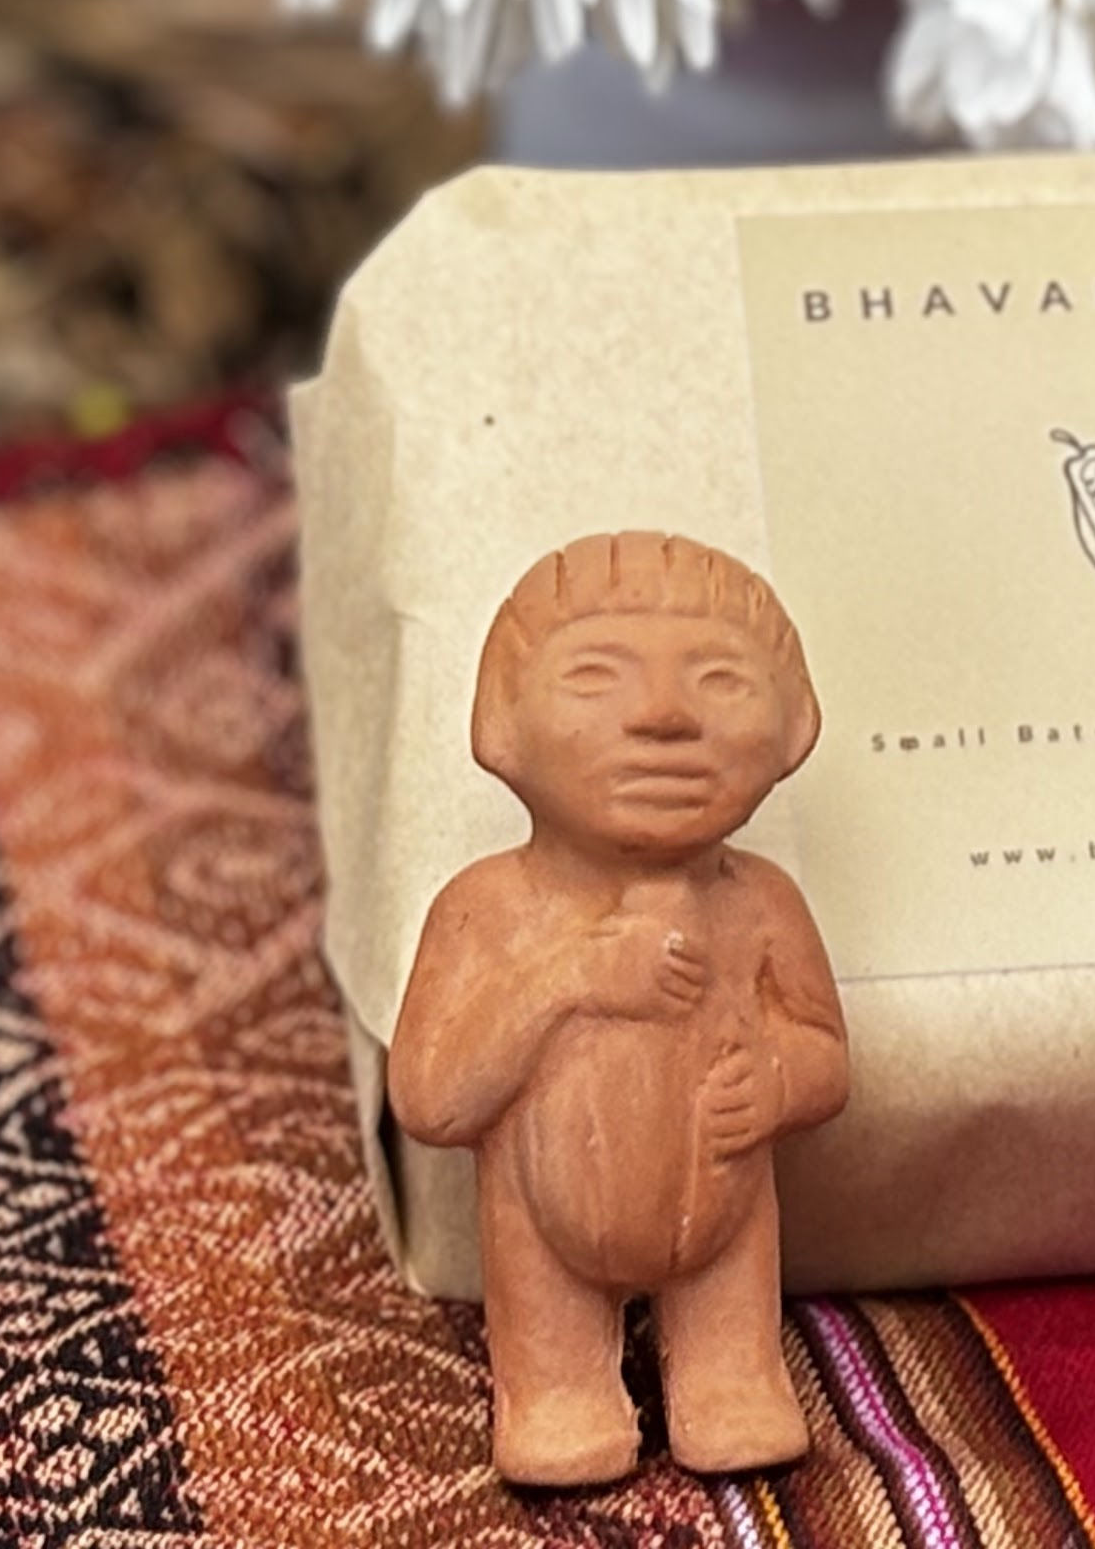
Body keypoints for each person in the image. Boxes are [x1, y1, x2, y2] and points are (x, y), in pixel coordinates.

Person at [388, 530, 852, 1485]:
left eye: (721, 679)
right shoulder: (486, 911)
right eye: (595, 677)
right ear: (500, 726)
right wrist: (568, 981)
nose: (663, 717)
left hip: (727, 1224)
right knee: (559, 1413)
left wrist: (775, 1081)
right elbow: (432, 1100)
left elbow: (826, 1057)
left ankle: (728, 1373)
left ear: (794, 728)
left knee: (738, 1395)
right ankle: (557, 1391)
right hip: (538, 1231)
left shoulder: (760, 906)